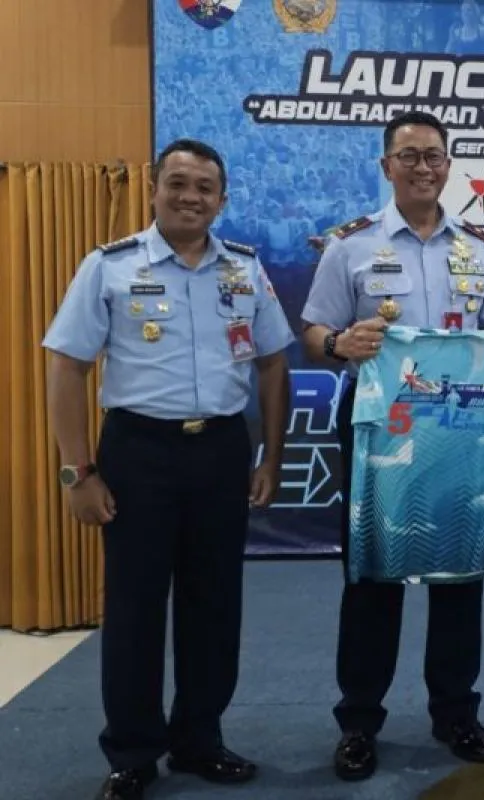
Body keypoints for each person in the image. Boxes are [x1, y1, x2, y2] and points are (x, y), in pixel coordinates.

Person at [41, 138, 294, 800]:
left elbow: (273, 364)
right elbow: (66, 366)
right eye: (177, 183)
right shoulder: (109, 266)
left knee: (215, 604)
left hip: (220, 452)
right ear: (153, 189)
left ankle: (199, 739)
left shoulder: (245, 269)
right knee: (135, 608)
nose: (190, 197)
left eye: (205, 187)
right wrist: (77, 472)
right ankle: (132, 752)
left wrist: (271, 456)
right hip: (138, 453)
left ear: (222, 199)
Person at [299, 110, 484, 781]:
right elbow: (313, 333)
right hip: (381, 425)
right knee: (373, 575)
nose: (423, 167)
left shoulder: (479, 249)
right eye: (409, 156)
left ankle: (456, 712)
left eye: (433, 156)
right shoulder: (350, 247)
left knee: (460, 572)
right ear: (386, 166)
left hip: (461, 424)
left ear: (448, 166)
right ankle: (359, 722)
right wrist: (340, 343)